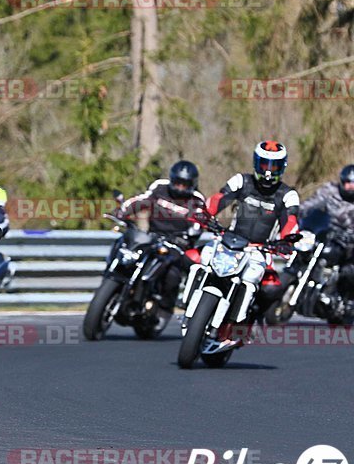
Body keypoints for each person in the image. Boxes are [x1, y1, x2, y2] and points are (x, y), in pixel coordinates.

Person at [205, 141, 300, 309]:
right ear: (256, 163)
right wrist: (204, 214)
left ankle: (245, 325)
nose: (268, 172)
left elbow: (290, 221)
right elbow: (219, 199)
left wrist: (287, 241)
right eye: (264, 165)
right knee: (200, 259)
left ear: (283, 167)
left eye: (274, 167)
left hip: (261, 251)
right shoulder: (242, 181)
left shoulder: (288, 195)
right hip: (229, 243)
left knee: (269, 288)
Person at [117, 160, 206, 331]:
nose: (180, 188)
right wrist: (123, 212)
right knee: (129, 255)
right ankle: (122, 288)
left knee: (172, 275)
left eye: (184, 184)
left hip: (178, 244)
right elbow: (141, 200)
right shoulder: (160, 187)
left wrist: (192, 234)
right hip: (151, 237)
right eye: (177, 183)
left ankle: (164, 309)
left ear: (192, 184)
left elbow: (201, 221)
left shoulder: (197, 200)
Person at [288, 164, 354, 318]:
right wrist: (295, 213)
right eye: (347, 182)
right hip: (325, 234)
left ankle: (347, 301)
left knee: (349, 271)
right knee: (303, 252)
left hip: (349, 244)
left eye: (353, 183)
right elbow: (312, 203)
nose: (349, 186)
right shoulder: (330, 190)